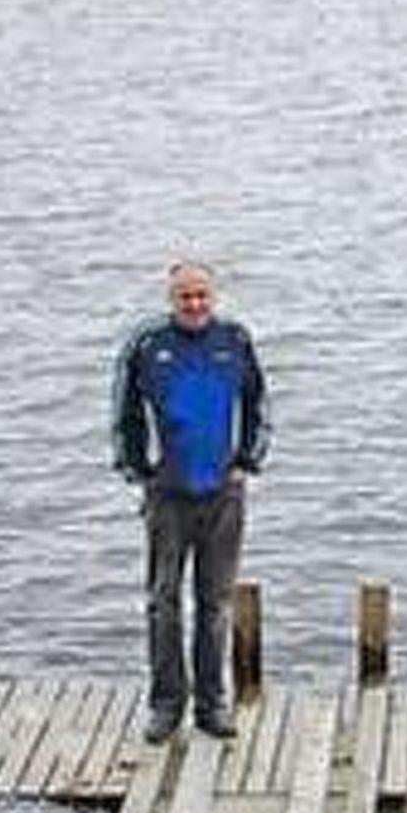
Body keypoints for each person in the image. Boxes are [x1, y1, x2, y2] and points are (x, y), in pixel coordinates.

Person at [111, 260, 270, 743]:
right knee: (163, 602)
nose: (195, 304)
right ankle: (165, 705)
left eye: (202, 295)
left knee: (215, 604)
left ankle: (212, 704)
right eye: (185, 297)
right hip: (168, 494)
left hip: (223, 491)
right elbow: (124, 414)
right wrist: (138, 470)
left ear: (214, 296)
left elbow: (259, 405)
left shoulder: (235, 341)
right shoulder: (147, 345)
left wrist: (247, 461)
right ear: (171, 299)